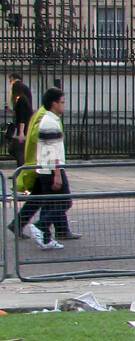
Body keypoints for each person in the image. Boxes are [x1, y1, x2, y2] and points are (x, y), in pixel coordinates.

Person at [25, 88, 74, 249]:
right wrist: (57, 174)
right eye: (61, 102)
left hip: (46, 168)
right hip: (51, 169)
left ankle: (46, 238)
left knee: (50, 203)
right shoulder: (50, 122)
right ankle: (40, 226)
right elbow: (52, 150)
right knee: (64, 201)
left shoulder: (49, 119)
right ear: (53, 103)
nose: (63, 105)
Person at [7, 73, 32, 166]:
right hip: (23, 126)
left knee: (17, 150)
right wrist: (10, 110)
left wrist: (21, 132)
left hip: (22, 127)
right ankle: (20, 169)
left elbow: (21, 116)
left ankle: (21, 169)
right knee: (16, 149)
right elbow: (18, 113)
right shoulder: (21, 99)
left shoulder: (21, 99)